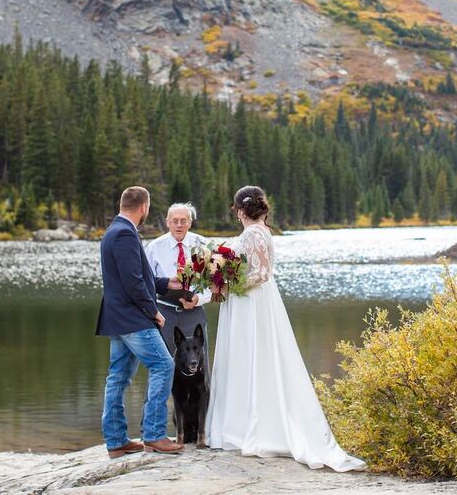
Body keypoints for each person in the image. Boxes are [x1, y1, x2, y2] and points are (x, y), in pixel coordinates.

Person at [205, 186, 365, 471]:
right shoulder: (261, 230)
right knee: (256, 357)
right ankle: (246, 424)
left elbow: (262, 273)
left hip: (252, 303)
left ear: (240, 210)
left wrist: (230, 283)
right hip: (250, 302)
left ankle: (252, 428)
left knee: (253, 356)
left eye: (236, 210)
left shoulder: (254, 233)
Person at [95, 186, 184, 457]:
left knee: (118, 377)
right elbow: (133, 283)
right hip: (132, 318)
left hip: (118, 318)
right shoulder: (124, 234)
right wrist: (153, 312)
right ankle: (155, 434)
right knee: (163, 365)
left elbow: (136, 277)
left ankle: (117, 441)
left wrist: (165, 282)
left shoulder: (115, 230)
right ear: (144, 207)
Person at [143, 202, 210, 357]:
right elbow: (146, 282)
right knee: (164, 364)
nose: (179, 225)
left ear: (190, 222)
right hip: (164, 314)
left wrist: (198, 299)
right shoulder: (154, 248)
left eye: (183, 221)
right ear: (168, 222)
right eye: (175, 221)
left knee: (199, 366)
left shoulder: (203, 245)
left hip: (195, 313)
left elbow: (213, 281)